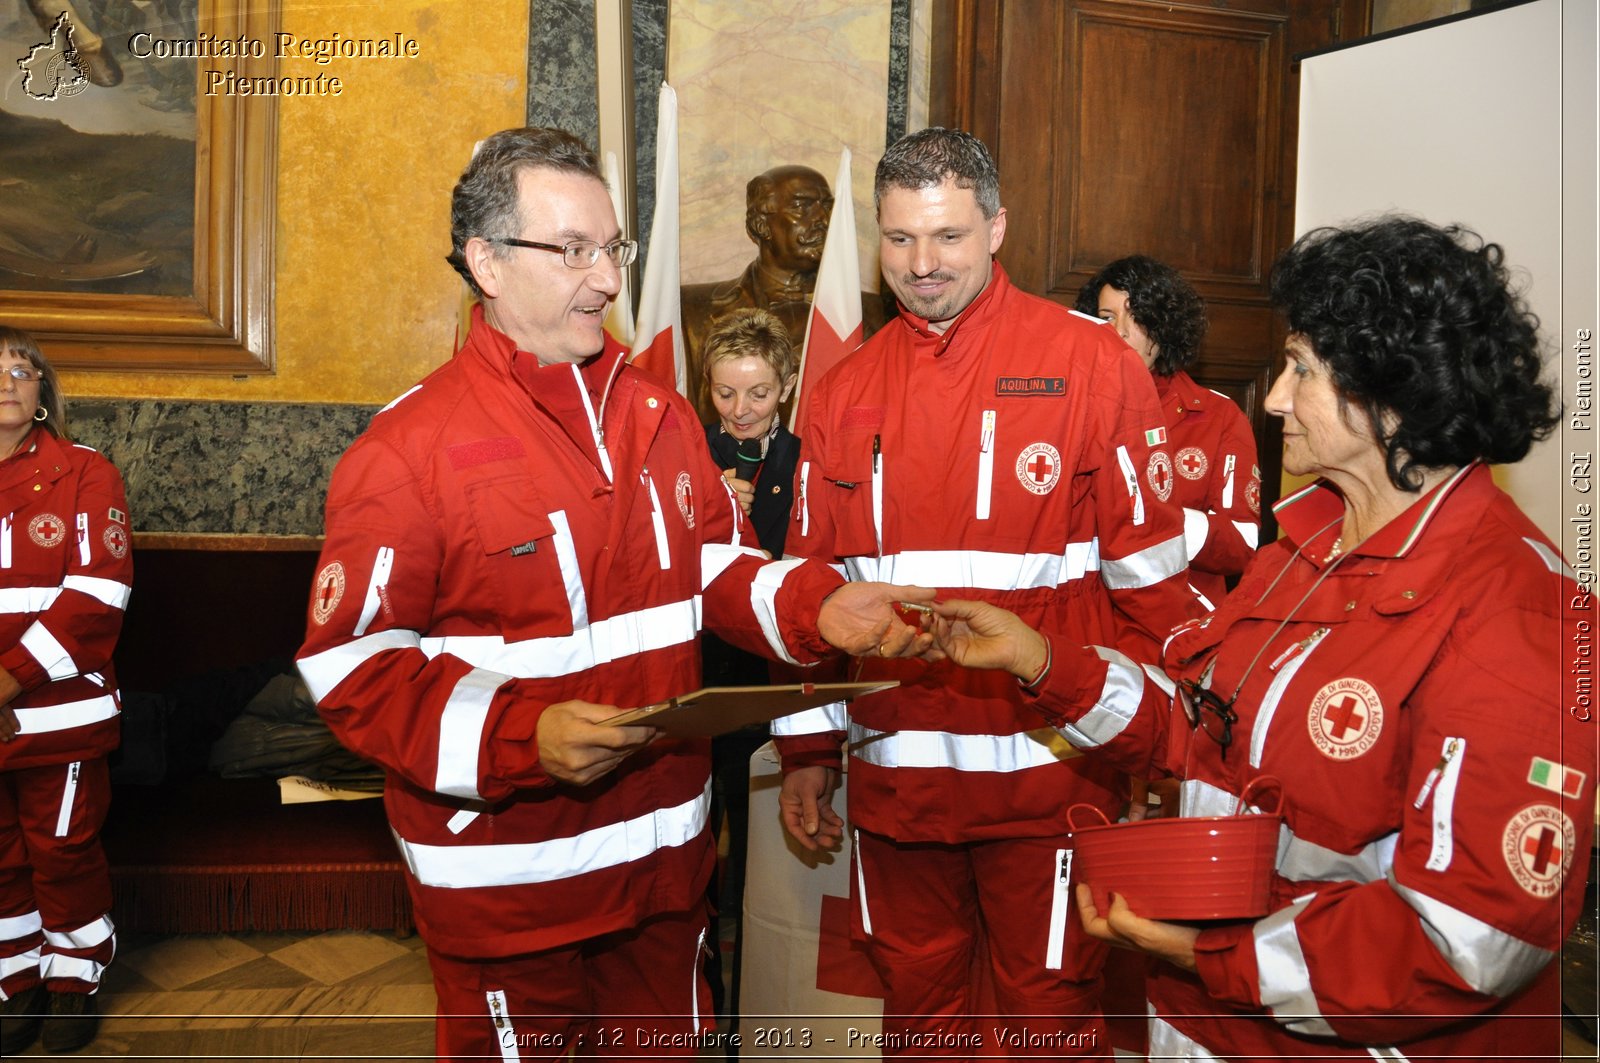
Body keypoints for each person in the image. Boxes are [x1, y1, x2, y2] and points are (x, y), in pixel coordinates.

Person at [293, 127, 932, 1062]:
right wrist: (525, 735)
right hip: (513, 889)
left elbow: (715, 566)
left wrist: (817, 606)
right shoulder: (405, 452)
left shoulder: (663, 417)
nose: (604, 279)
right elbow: (355, 668)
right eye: (574, 251)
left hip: (664, 876)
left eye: (613, 248)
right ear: (487, 263)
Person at [929, 216, 1592, 1060]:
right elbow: (1201, 731)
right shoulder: (1303, 548)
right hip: (1210, 1025)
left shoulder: (1521, 611)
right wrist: (1038, 658)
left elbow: (1472, 937)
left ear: (1394, 397)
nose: (1275, 398)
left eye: (1301, 370)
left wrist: (1212, 952)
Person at [771, 127, 1200, 1057]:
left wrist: (1172, 748)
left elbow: (1153, 587)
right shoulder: (842, 389)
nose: (922, 266)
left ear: (997, 228)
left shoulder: (1093, 363)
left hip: (1051, 778)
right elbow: (816, 581)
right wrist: (807, 743)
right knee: (918, 1017)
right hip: (895, 784)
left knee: (1050, 1017)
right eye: (899, 240)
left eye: (949, 237)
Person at [0, 326, 132, 1056]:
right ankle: (16, 975)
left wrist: (7, 677)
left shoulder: (86, 471)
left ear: (43, 393)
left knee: (61, 849)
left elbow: (96, 594)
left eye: (22, 370)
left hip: (59, 713)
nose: (7, 380)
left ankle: (73, 977)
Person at [696, 307, 802, 1022]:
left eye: (758, 393)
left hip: (767, 691)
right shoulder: (684, 453)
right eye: (726, 393)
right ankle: (694, 1008)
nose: (740, 411)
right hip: (693, 685)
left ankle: (746, 1023)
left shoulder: (808, 460)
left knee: (754, 875)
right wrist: (701, 511)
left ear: (785, 385)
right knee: (692, 868)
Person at [1076, 256, 1259, 610]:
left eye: (1139, 316)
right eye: (1106, 317)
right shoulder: (1066, 410)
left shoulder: (1217, 416)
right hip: (1086, 620)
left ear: (1166, 326)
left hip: (1178, 626)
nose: (1120, 332)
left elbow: (1241, 549)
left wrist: (1156, 517)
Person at [681, 164, 888, 424]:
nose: (823, 220)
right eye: (802, 207)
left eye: (827, 206)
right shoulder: (693, 310)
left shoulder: (870, 312)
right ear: (761, 225)